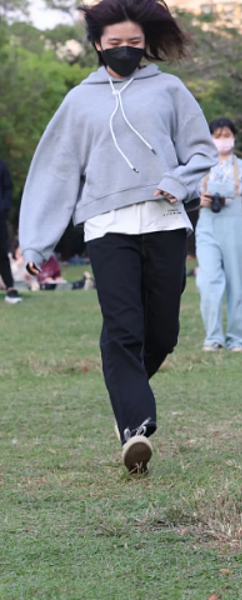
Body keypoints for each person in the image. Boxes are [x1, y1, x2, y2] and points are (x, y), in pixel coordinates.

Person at [19, 0, 217, 474]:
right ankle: (136, 427)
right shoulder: (78, 101)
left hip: (165, 221)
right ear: (97, 46)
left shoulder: (169, 89)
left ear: (144, 43)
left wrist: (178, 180)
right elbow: (55, 173)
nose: (125, 51)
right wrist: (36, 243)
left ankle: (126, 403)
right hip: (107, 228)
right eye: (115, 44)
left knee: (163, 334)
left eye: (134, 43)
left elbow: (201, 152)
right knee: (123, 330)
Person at [196, 117, 242, 353]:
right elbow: (187, 195)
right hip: (207, 225)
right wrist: (198, 200)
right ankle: (213, 337)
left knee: (236, 284)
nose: (223, 141)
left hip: (236, 225)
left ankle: (235, 338)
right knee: (208, 281)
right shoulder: (199, 165)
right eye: (217, 136)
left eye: (227, 136)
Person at [0, 158, 23, 304]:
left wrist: (4, 207)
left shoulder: (1, 163)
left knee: (1, 252)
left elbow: (8, 187)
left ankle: (10, 288)